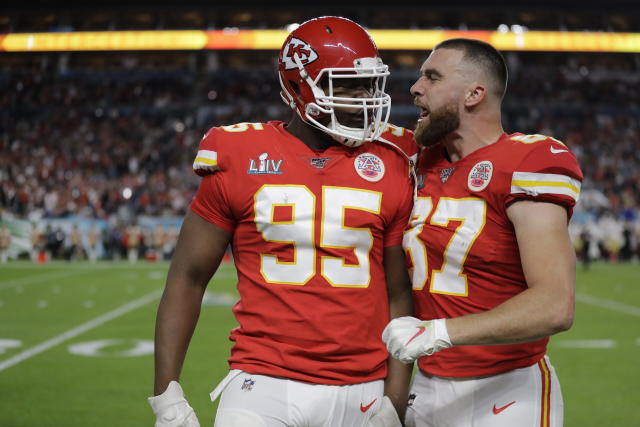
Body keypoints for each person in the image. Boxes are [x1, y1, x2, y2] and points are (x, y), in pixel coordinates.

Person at [148, 16, 418, 427]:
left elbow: (400, 294)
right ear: (298, 87)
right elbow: (187, 277)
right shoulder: (239, 153)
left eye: (369, 84)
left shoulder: (394, 160)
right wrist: (167, 392)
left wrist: (395, 400)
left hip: (364, 385)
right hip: (263, 382)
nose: (364, 98)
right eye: (345, 84)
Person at [381, 38, 583, 427]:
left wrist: (439, 332)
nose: (415, 87)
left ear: (475, 93)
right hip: (427, 386)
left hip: (507, 390)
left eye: (432, 77)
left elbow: (555, 305)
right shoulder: (415, 161)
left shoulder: (529, 160)